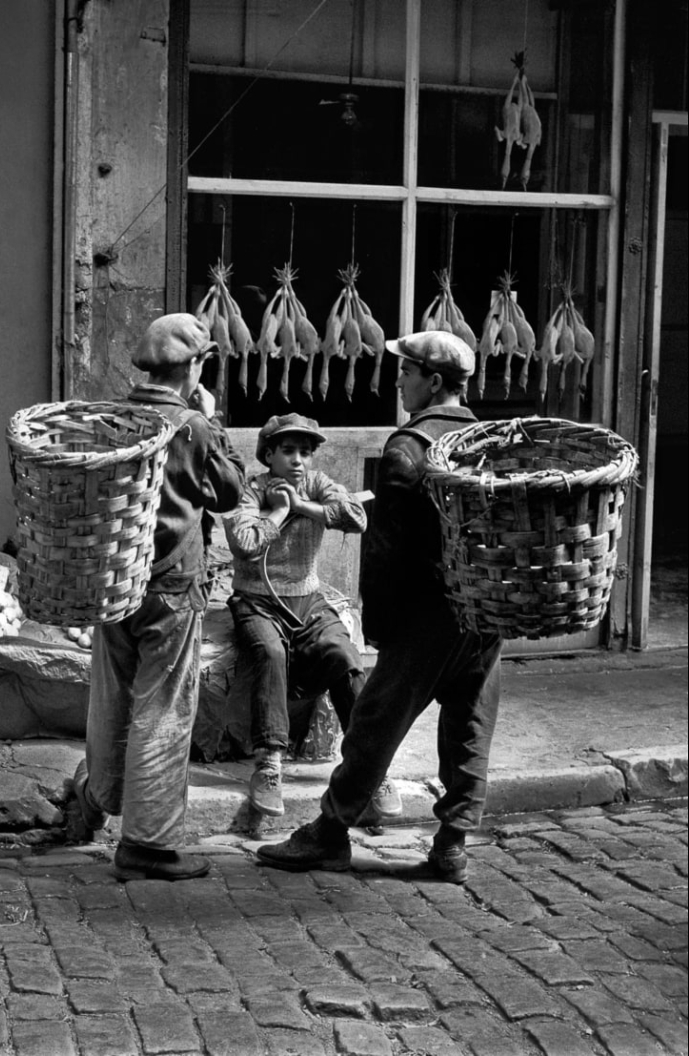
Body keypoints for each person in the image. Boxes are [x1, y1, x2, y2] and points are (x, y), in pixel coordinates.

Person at [257, 331, 503, 884]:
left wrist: (382, 625)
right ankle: (453, 844)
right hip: (484, 611)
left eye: (406, 371)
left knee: (374, 721)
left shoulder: (408, 447)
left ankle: (328, 833)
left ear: (433, 381)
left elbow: (390, 547)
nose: (398, 379)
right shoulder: (485, 438)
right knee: (470, 721)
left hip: (426, 614)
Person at [68, 313, 246, 882]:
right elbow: (229, 492)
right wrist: (211, 421)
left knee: (111, 701)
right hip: (171, 586)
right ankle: (148, 843)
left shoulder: (116, 418)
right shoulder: (191, 425)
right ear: (192, 366)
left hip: (115, 582)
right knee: (163, 711)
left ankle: (95, 801)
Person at [223, 412, 401, 821]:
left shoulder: (317, 484)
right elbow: (246, 543)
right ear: (269, 454)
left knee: (342, 653)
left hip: (309, 598)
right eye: (288, 450)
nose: (298, 459)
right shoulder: (249, 490)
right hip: (257, 600)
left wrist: (304, 504)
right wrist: (280, 512)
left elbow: (357, 518)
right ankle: (269, 764)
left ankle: (372, 765)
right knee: (270, 652)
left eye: (305, 451)